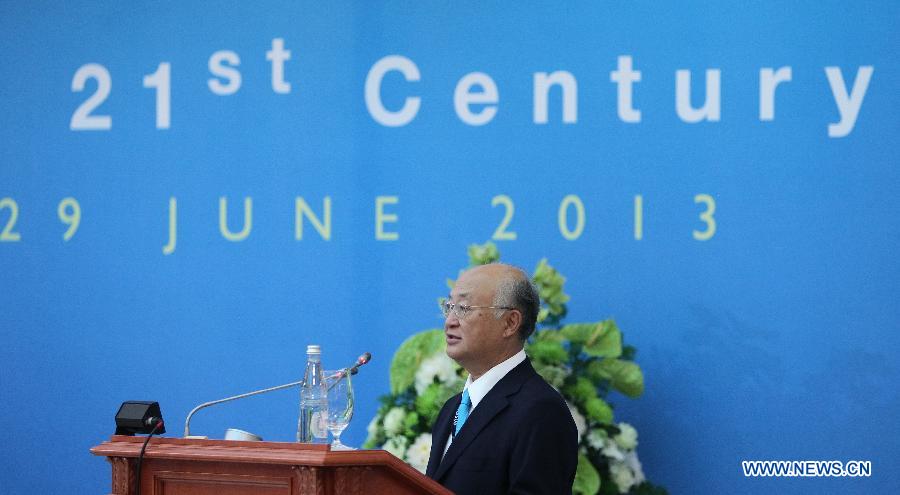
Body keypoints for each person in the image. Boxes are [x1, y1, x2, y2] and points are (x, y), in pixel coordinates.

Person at [425, 263, 578, 494]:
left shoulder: (541, 410)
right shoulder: (452, 408)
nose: (450, 321)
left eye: (464, 308)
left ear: (510, 323)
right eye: (449, 307)